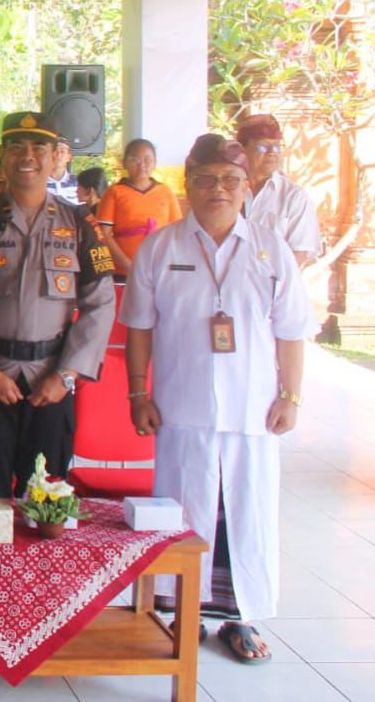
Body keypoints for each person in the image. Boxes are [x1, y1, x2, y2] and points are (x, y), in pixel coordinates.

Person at [122, 134, 309, 664]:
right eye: (205, 179)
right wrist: (139, 391)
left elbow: (293, 330)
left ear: (247, 186)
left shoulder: (272, 250)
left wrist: (291, 395)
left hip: (253, 410)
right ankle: (181, 612)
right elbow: (139, 326)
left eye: (230, 180)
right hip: (181, 408)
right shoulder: (162, 247)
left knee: (245, 514)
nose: (218, 190)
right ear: (189, 185)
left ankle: (242, 618)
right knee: (183, 513)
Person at [0, 112, 116, 497]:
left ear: (56, 155)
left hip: (51, 382)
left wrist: (66, 375)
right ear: (2, 154)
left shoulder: (78, 224)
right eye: (16, 146)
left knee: (45, 505)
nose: (28, 156)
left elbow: (101, 303)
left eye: (38, 146)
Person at [236, 114, 322, 267]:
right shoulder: (228, 189)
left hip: (274, 285)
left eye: (276, 146)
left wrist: (273, 286)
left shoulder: (294, 197)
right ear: (243, 150)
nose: (271, 152)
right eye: (262, 146)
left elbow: (299, 253)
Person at [96, 139, 184, 279]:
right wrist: (127, 265)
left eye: (147, 160)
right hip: (122, 272)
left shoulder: (165, 192)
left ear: (155, 163)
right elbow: (103, 234)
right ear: (124, 162)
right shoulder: (114, 192)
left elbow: (177, 233)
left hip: (159, 270)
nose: (142, 165)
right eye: (135, 160)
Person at [47, 137, 79, 203]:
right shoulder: (38, 182)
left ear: (69, 157)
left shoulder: (79, 182)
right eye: (54, 151)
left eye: (62, 151)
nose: (58, 155)